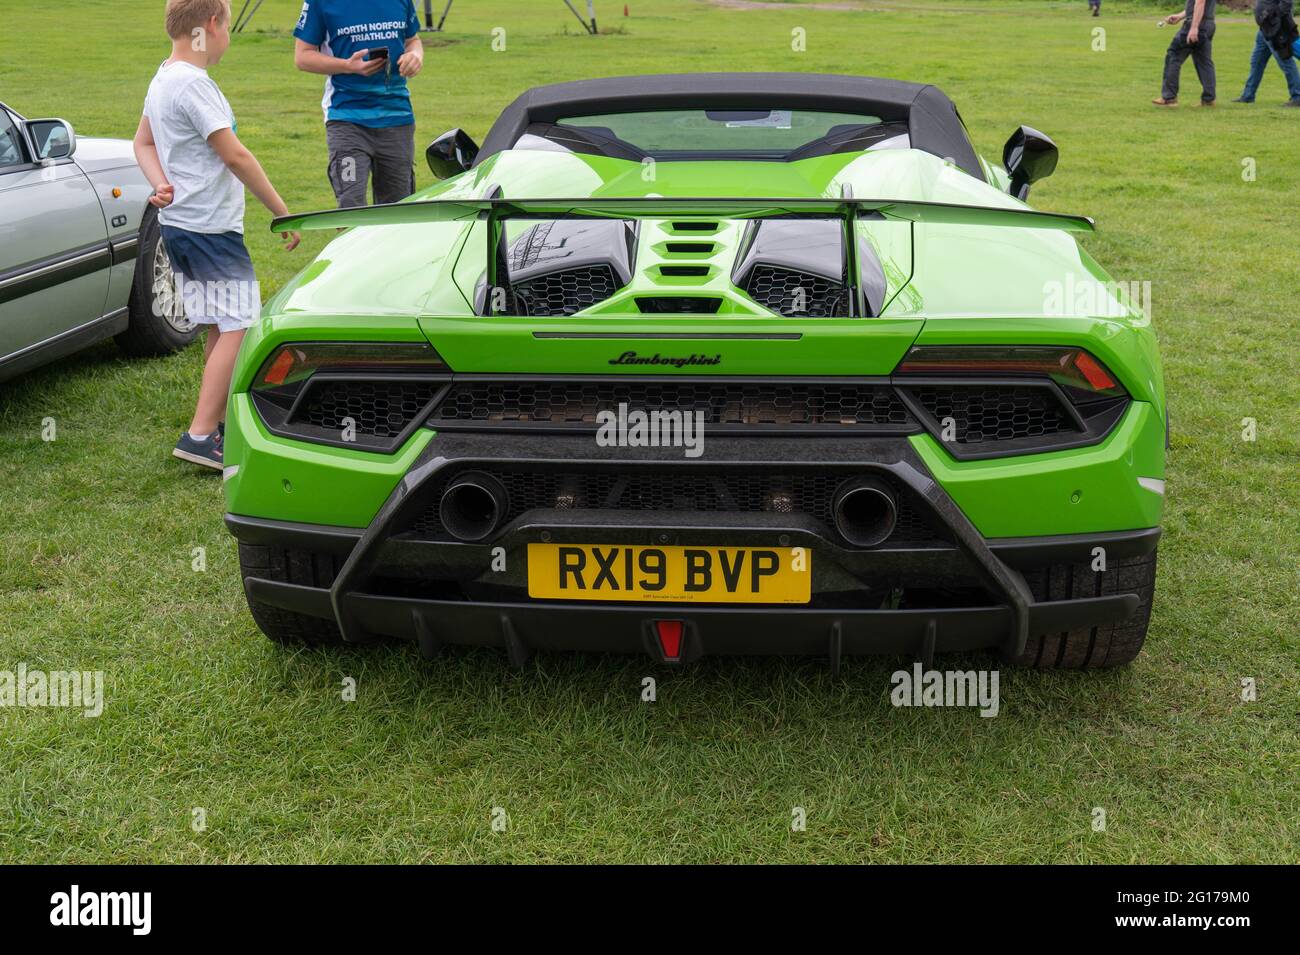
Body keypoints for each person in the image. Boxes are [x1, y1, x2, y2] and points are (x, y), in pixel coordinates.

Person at [134, 0, 300, 470]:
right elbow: (236, 157)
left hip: (181, 226)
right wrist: (280, 210)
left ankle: (219, 423)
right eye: (228, 26)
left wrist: (158, 182)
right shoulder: (193, 84)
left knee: (218, 323)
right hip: (209, 229)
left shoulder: (164, 75)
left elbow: (142, 142)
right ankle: (200, 434)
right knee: (241, 323)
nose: (229, 36)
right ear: (211, 25)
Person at [293, 1, 425, 208]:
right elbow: (302, 57)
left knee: (398, 212)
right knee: (350, 206)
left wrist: (415, 55)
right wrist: (348, 66)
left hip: (397, 117)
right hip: (347, 118)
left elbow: (412, 40)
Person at [1152, 0, 1217, 107]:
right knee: (1204, 61)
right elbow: (1197, 5)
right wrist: (1180, 16)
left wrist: (1194, 27)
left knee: (1174, 55)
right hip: (1208, 24)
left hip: (1196, 25)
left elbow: (1200, 2)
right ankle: (1209, 99)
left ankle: (1169, 97)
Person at [1235, 0, 1300, 105]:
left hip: (1276, 30)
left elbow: (1287, 3)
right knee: (1256, 63)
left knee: (1286, 62)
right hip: (1264, 30)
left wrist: (1272, 18)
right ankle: (1248, 95)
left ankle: (1297, 97)